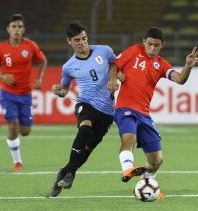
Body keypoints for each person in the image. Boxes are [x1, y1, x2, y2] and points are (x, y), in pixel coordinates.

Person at [107, 27, 198, 199]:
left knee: (156, 160)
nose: (152, 48)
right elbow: (114, 65)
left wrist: (188, 66)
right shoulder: (134, 50)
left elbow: (179, 79)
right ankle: (127, 168)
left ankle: (146, 183)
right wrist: (113, 79)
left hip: (144, 114)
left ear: (162, 45)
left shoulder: (161, 64)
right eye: (149, 44)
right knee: (129, 138)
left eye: (156, 46)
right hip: (125, 108)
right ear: (144, 41)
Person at [49, 22, 116, 197]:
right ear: (69, 42)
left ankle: (64, 172)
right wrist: (59, 91)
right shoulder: (69, 66)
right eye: (77, 40)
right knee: (85, 129)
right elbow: (64, 89)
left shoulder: (104, 51)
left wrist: (113, 78)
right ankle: (70, 174)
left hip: (107, 111)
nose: (82, 43)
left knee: (87, 149)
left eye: (84, 39)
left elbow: (115, 64)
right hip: (85, 103)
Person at [0, 14, 47, 171]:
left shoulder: (30, 46)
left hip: (26, 94)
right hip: (8, 93)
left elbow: (42, 60)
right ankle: (17, 162)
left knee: (25, 131)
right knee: (13, 126)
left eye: (19, 27)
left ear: (23, 29)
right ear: (8, 29)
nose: (17, 29)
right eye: (14, 27)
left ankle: (16, 134)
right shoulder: (0, 48)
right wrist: (2, 76)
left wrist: (39, 78)